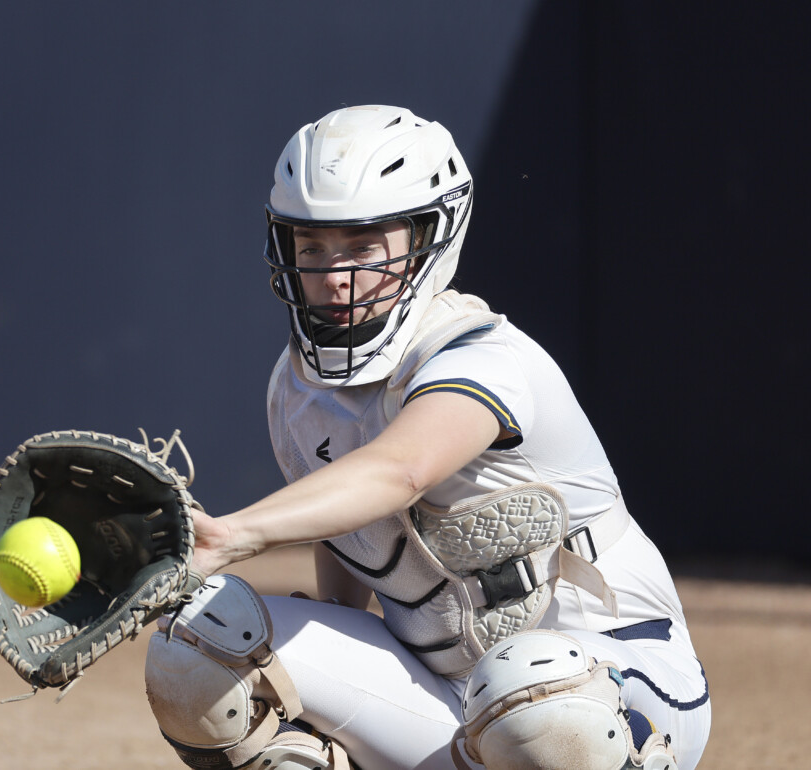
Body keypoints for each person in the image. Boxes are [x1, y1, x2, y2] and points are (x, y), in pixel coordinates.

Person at [143, 105, 711, 770]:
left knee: (534, 690)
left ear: (430, 236)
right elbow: (350, 543)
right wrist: (320, 718)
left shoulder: (484, 357)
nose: (332, 275)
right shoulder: (297, 389)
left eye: (361, 246)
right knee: (201, 641)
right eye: (313, 245)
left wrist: (230, 535)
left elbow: (399, 469)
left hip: (618, 682)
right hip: (447, 694)